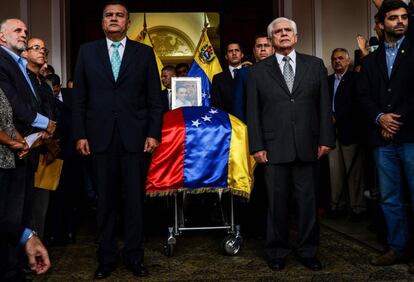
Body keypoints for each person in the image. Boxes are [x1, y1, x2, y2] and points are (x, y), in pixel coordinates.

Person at [72, 1, 163, 279]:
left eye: (119, 15)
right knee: (105, 202)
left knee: (135, 202)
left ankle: (135, 257)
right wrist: (80, 134)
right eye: (108, 15)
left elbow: (155, 100)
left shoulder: (145, 53)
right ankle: (106, 258)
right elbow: (79, 100)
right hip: (98, 139)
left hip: (135, 139)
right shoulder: (86, 52)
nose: (113, 19)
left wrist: (153, 133)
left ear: (128, 22)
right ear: (102, 22)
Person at [246, 17, 335, 271]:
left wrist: (326, 139)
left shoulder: (315, 65)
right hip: (273, 148)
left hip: (309, 146)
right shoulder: (257, 71)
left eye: (288, 31)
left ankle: (308, 251)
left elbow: (323, 106)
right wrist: (256, 146)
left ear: (296, 37)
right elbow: (253, 112)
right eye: (278, 32)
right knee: (276, 204)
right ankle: (276, 251)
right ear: (272, 39)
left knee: (308, 203)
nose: (283, 34)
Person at [358, 0, 414, 270]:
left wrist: (395, 120)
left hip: (410, 135)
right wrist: (380, 118)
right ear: (381, 24)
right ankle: (397, 247)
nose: (400, 21)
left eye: (404, 17)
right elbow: (364, 96)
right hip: (382, 139)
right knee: (390, 197)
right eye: (393, 18)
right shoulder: (370, 61)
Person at [0, 18, 56, 279]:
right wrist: (18, 138)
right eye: (17, 31)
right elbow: (12, 106)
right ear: (2, 37)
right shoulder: (3, 61)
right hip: (9, 152)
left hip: (22, 149)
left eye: (26, 31)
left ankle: (17, 264)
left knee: (18, 213)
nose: (24, 34)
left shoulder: (18, 64)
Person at [327, 48, 367, 221]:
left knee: (355, 173)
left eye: (341, 58)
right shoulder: (327, 81)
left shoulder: (355, 78)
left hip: (350, 131)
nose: (337, 61)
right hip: (331, 133)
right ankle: (337, 206)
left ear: (348, 61)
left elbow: (357, 103)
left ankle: (358, 208)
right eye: (334, 59)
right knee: (335, 173)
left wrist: (337, 117)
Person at [233, 33, 274, 122]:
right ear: (254, 50)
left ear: (273, 49)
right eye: (259, 46)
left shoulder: (282, 70)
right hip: (253, 126)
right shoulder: (243, 73)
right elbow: (238, 106)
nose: (263, 49)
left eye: (266, 45)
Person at [211, 42, 244, 114]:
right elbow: (216, 105)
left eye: (237, 50)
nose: (234, 53)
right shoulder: (218, 78)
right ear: (226, 56)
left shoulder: (250, 74)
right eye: (230, 51)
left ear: (242, 55)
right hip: (228, 121)